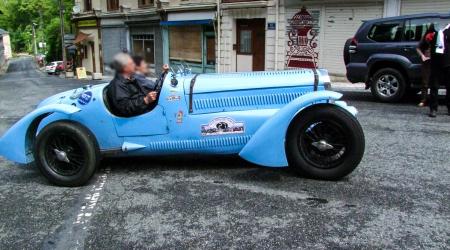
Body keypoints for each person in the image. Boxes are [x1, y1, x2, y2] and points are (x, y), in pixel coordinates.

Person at [107, 53, 158, 117]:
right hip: (135, 118)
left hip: (143, 111)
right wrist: (146, 100)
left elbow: (142, 93)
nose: (135, 65)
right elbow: (125, 108)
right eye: (131, 64)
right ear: (124, 68)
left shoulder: (132, 79)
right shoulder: (117, 85)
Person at [428, 23, 450, 117]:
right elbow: (426, 39)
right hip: (436, 62)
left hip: (448, 62)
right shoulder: (434, 27)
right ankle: (433, 109)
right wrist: (429, 37)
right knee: (434, 86)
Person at [416, 24, 435, 107]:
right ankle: (423, 99)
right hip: (426, 61)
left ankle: (433, 100)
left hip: (436, 61)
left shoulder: (440, 36)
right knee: (425, 81)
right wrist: (422, 56)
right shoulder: (425, 36)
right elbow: (418, 47)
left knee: (435, 82)